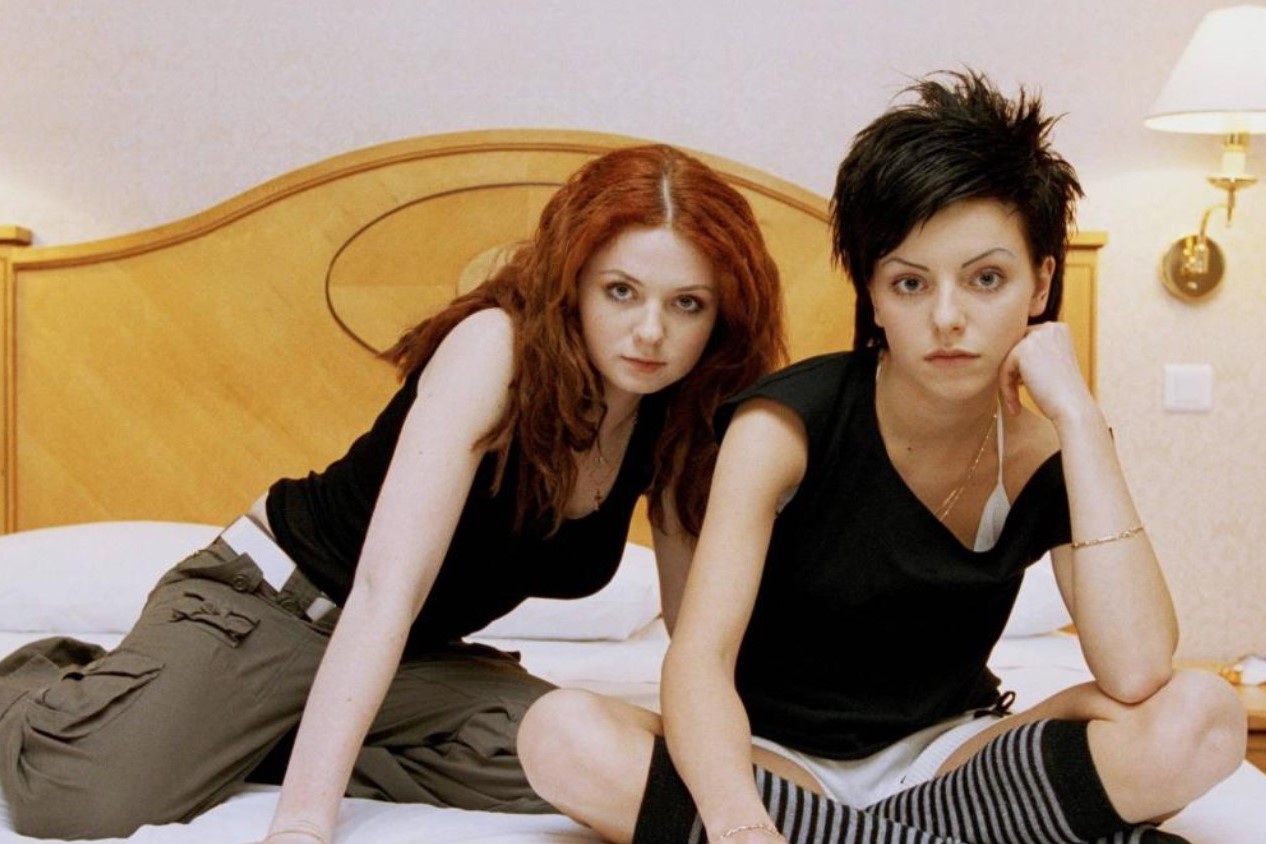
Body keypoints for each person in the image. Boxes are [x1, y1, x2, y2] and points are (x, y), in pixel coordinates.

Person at [518, 72, 1247, 844]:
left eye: (987, 279)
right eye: (909, 283)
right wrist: (738, 827)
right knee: (561, 737)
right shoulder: (784, 425)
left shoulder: (1052, 450)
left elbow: (1136, 671)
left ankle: (846, 835)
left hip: (952, 761)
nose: (947, 317)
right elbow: (699, 660)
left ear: (1041, 283)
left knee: (1202, 717)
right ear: (872, 292)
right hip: (770, 759)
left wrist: (1079, 416)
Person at [0, 144, 786, 843]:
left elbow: (696, 638)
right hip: (270, 611)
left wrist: (763, 768)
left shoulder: (682, 415)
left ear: (722, 316)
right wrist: (304, 824)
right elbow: (385, 591)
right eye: (621, 291)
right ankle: (54, 684)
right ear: (572, 282)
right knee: (77, 797)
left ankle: (257, 735)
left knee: (587, 771)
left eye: (687, 303)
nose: (650, 332)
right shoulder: (497, 351)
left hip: (413, 660)